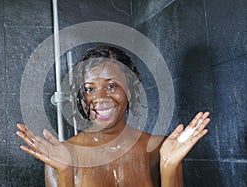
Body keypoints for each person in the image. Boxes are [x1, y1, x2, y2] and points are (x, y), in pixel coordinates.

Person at [16, 45, 211, 187]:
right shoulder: (63, 155)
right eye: (90, 89)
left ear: (129, 91)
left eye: (111, 86)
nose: (99, 98)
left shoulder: (160, 148)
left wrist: (169, 165)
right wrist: (65, 172)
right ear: (81, 98)